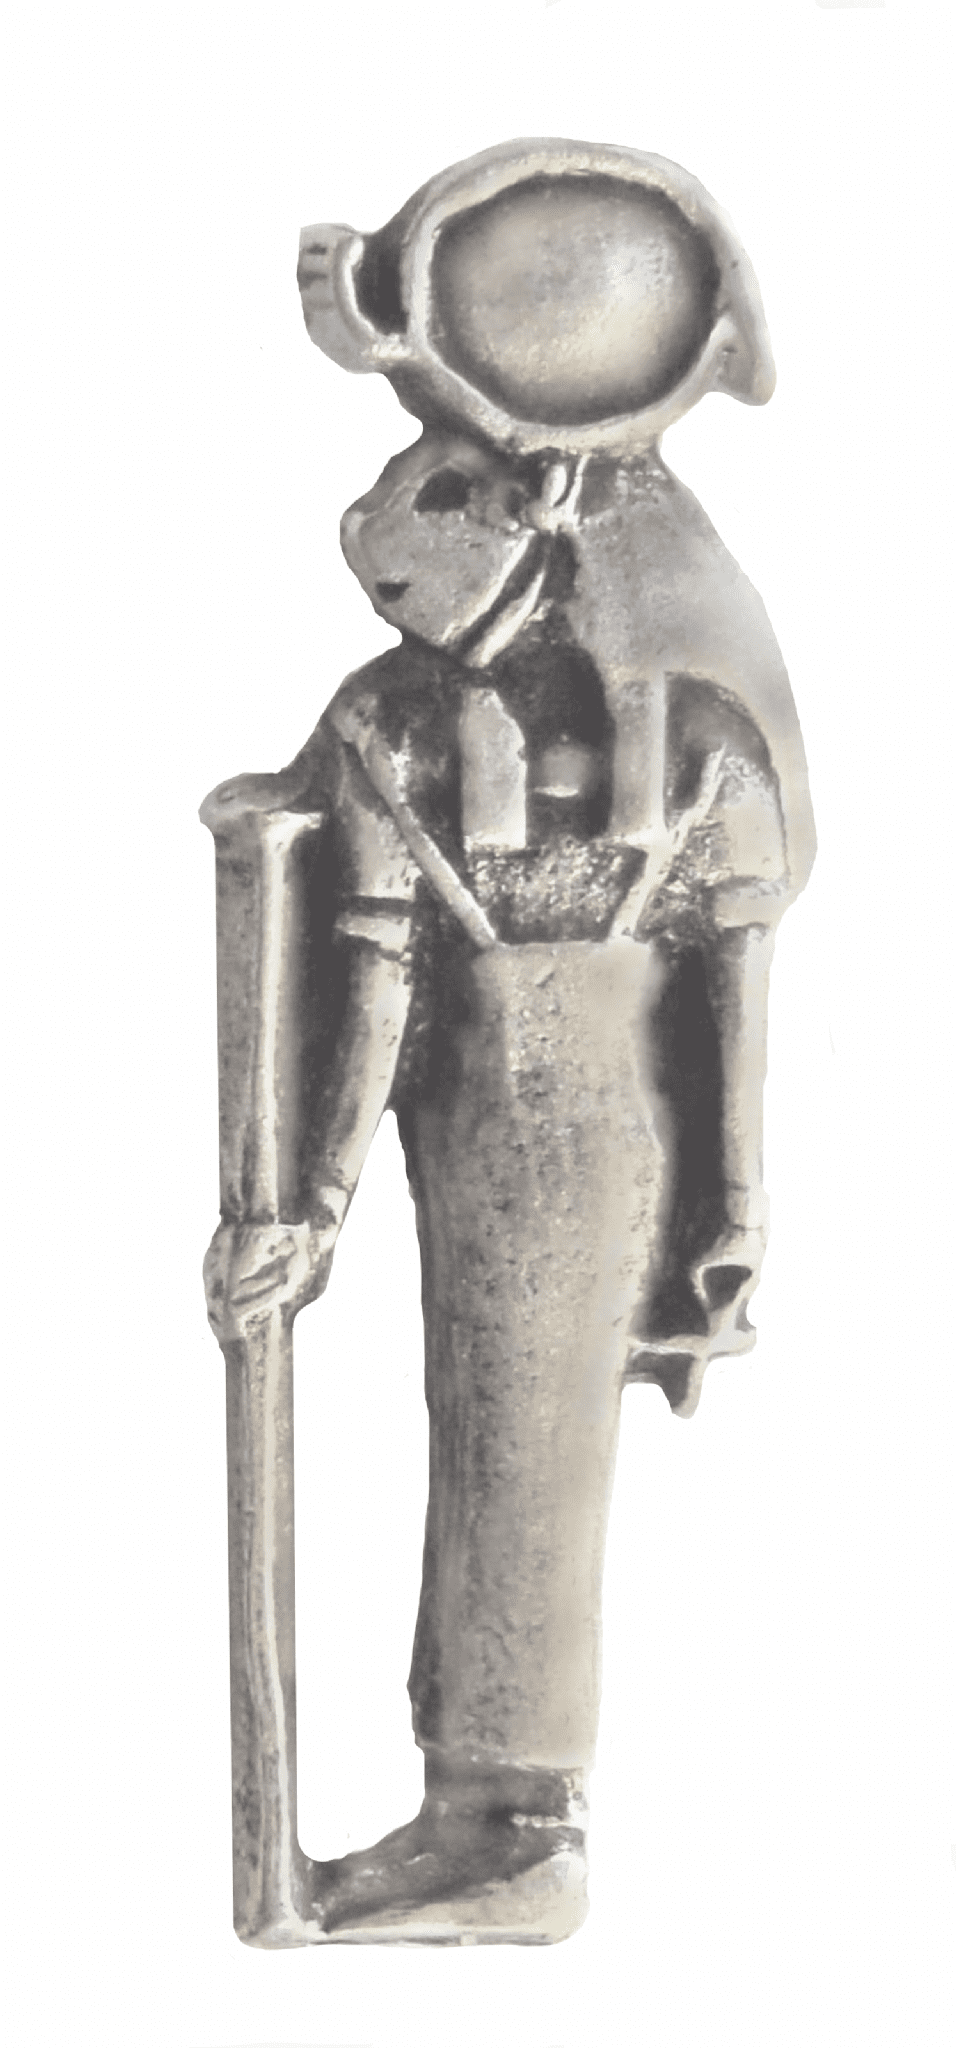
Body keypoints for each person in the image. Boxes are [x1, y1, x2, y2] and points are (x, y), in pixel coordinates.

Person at [203, 142, 814, 1944]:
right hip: (471, 1134)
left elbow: (732, 992)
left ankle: (521, 1822)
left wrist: (737, 1209)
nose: (393, 562)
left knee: (530, 1443)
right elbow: (371, 986)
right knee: (481, 1428)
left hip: (599, 1139)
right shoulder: (399, 728)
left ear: (543, 517)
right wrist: (306, 1210)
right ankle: (477, 1806)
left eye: (445, 502)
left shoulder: (687, 751)